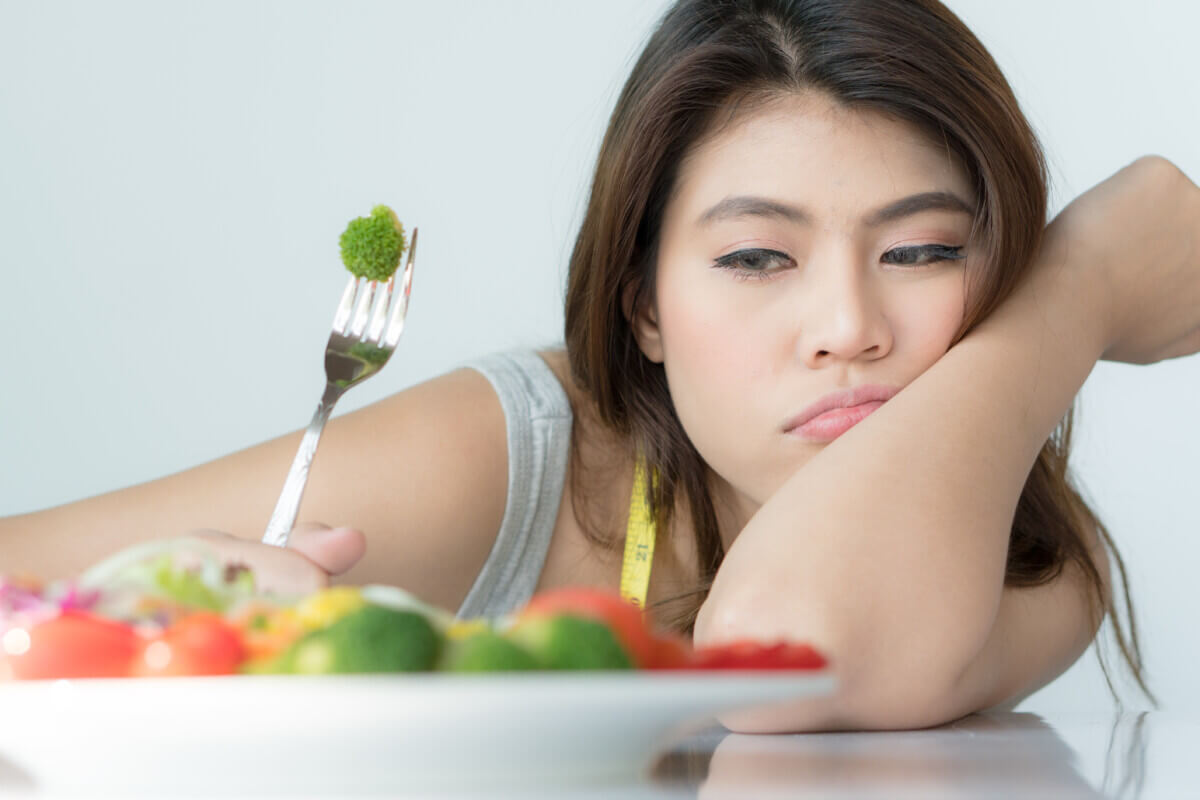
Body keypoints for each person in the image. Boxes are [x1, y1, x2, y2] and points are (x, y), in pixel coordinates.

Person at [3, 0, 1198, 732]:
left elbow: (788, 646)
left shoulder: (1025, 551)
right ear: (642, 307)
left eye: (925, 248)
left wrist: (1074, 284)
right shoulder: (517, 455)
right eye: (756, 257)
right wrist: (159, 609)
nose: (848, 324)